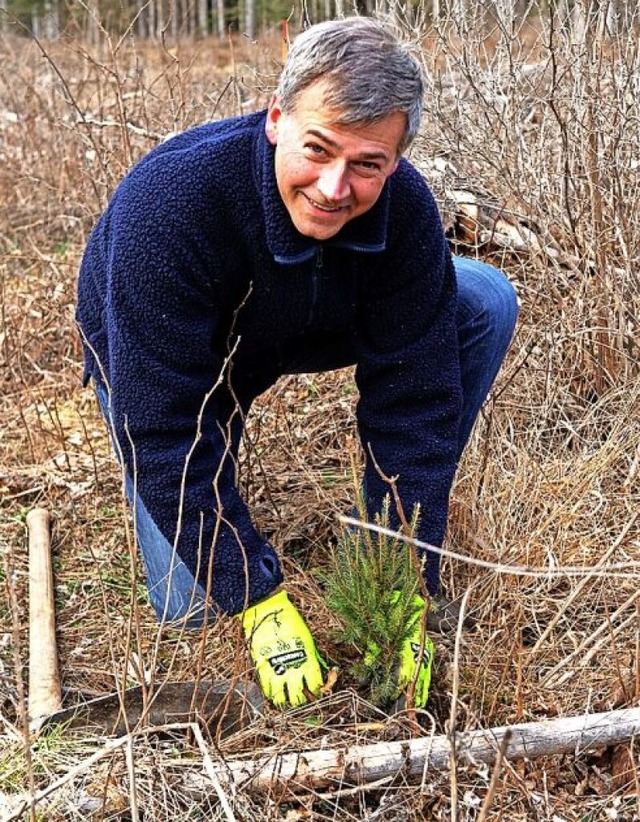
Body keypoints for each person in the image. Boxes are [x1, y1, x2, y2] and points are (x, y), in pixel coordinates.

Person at [76, 16, 518, 710]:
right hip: (173, 351)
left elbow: (418, 398)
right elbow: (163, 428)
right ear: (277, 117)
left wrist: (398, 572)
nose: (334, 186)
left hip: (306, 316)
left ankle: (369, 531)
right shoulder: (170, 206)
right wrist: (253, 595)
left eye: (368, 164)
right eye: (318, 149)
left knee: (483, 300)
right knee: (190, 606)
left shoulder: (403, 211)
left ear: (397, 158)